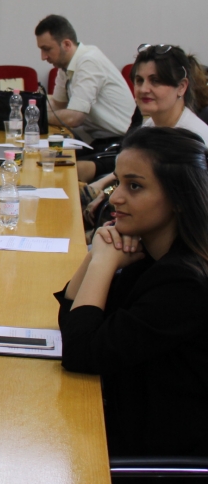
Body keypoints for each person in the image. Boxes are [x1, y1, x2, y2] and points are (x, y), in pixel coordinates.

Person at [56, 127, 208, 457]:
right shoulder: (150, 256)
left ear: (179, 199)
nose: (115, 197)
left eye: (135, 186)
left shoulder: (184, 282)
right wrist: (96, 256)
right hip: (129, 421)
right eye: (119, 182)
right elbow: (74, 324)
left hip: (160, 457)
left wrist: (103, 261)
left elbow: (80, 352)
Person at [81, 44, 208, 220]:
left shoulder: (194, 142)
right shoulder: (150, 126)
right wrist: (106, 192)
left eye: (155, 81)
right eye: (139, 80)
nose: (143, 89)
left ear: (181, 87)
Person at [36, 15, 135, 179]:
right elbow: (58, 105)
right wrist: (32, 112)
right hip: (97, 139)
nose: (43, 56)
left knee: (61, 171)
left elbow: (75, 117)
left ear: (67, 44)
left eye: (47, 49)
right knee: (45, 159)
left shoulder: (89, 61)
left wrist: (36, 117)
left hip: (121, 143)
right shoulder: (65, 66)